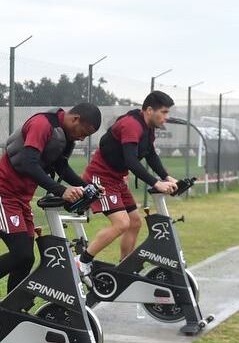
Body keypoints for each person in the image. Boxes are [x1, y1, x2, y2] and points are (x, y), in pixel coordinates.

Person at [0, 103, 101, 317]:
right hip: (2, 194)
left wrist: (86, 187)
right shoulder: (42, 124)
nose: (82, 139)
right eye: (84, 132)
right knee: (20, 253)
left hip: (21, 199)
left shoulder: (64, 136)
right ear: (75, 119)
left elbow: (61, 168)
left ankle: (11, 308)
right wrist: (61, 190)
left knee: (26, 258)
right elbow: (27, 162)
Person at [76, 91, 178, 276]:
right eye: (164, 112)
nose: (166, 117)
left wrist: (167, 177)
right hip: (100, 178)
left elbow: (150, 154)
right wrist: (156, 183)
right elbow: (131, 161)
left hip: (116, 179)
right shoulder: (131, 125)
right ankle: (82, 261)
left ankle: (124, 268)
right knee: (121, 223)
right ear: (149, 110)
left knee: (134, 222)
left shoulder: (148, 128)